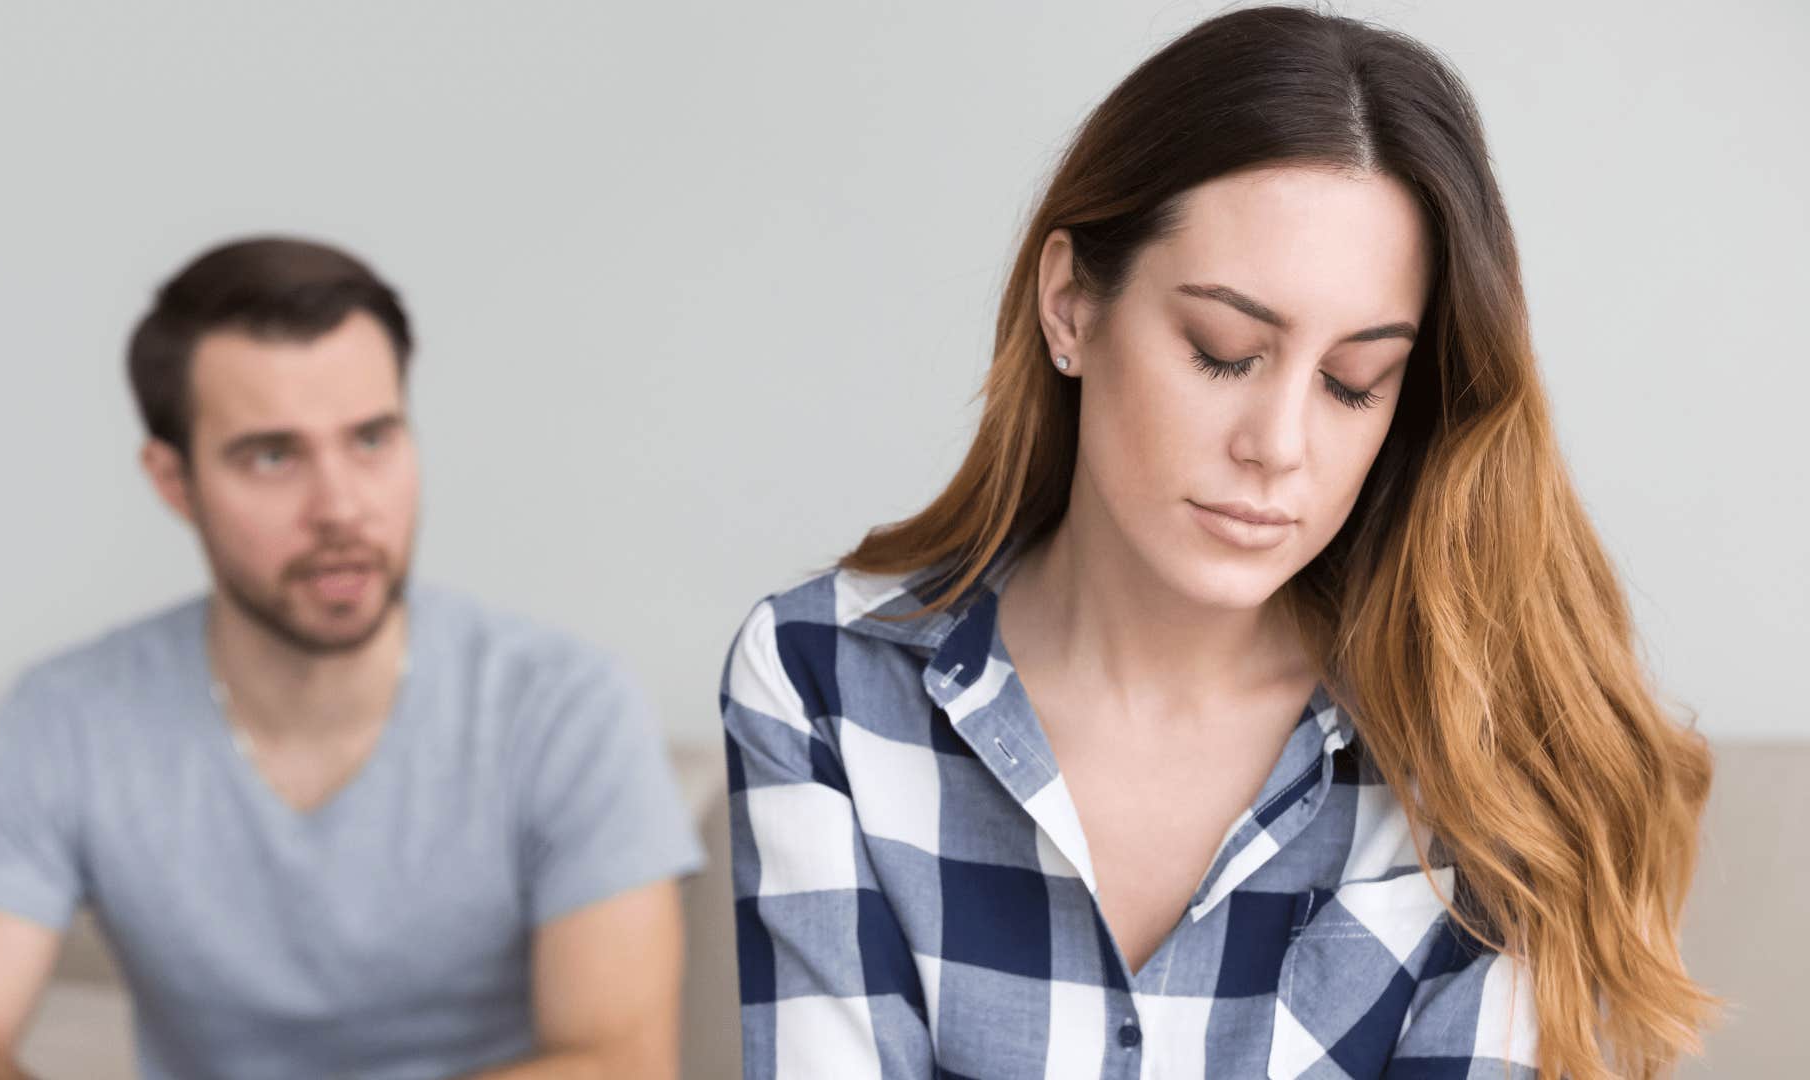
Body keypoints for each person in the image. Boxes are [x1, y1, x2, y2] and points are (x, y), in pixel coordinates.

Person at [721, 7, 1715, 1078]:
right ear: (1069, 306)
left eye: (1353, 384)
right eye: (1224, 351)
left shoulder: (1486, 754)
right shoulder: (825, 679)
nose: (1278, 447)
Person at [0, 237, 704, 1079]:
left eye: (372, 439)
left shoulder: (565, 706)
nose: (341, 506)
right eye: (273, 456)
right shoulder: (64, 717)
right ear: (173, 481)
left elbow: (618, 1063)